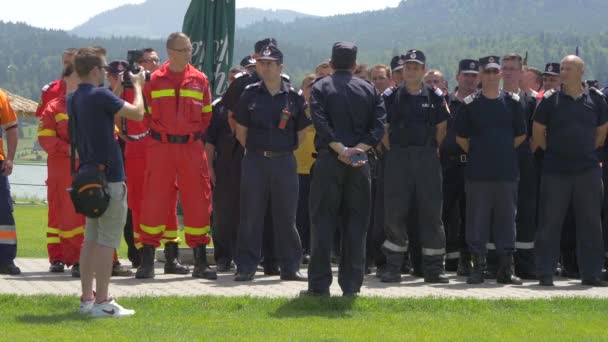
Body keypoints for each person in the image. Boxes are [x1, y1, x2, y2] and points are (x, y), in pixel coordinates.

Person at [303, 42, 386, 296]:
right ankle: (351, 286)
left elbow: (319, 120)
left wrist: (340, 149)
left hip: (330, 159)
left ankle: (319, 286)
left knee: (322, 223)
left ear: (332, 61)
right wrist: (357, 149)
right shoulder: (369, 88)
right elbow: (379, 124)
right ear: (354, 64)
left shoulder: (321, 86)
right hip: (360, 162)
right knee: (356, 225)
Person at [69, 46, 144, 317]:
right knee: (107, 240)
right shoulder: (100, 96)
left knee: (90, 239)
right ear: (94, 71)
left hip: (88, 175)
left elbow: (104, 110)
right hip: (109, 177)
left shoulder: (74, 97)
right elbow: (137, 113)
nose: (105, 72)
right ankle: (103, 302)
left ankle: (87, 299)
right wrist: (137, 86)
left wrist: (113, 88)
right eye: (103, 68)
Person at [137, 32, 216, 280]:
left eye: (189, 49)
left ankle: (200, 262)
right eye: (183, 50)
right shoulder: (154, 80)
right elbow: (144, 115)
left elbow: (206, 116)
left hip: (191, 147)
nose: (188, 53)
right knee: (154, 201)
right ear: (170, 52)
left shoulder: (200, 79)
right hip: (161, 147)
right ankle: (147, 261)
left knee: (198, 201)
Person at [232, 44, 310, 282]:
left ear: (280, 67)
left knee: (286, 217)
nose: (265, 67)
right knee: (251, 215)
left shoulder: (294, 96)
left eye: (270, 63)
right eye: (261, 63)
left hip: (284, 161)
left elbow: (302, 134)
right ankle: (246, 267)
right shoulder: (249, 93)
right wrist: (258, 151)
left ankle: (290, 267)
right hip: (255, 160)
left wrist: (281, 151)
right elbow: (241, 131)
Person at [532, 55, 608, 287]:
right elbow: (538, 133)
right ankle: (545, 272)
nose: (563, 72)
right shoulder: (550, 100)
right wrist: (556, 153)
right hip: (556, 171)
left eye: (568, 68)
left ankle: (591, 273)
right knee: (550, 223)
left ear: (581, 71)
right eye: (562, 68)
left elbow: (601, 133)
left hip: (587, 171)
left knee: (591, 223)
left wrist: (583, 153)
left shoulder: (595, 100)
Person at [455, 56, 527, 285]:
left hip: (506, 172)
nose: (491, 76)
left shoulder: (513, 103)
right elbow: (461, 137)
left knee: (507, 221)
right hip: (478, 173)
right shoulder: (470, 104)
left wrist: (501, 150)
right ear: (481, 75)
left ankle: (506, 270)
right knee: (477, 222)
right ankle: (478, 269)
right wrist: (481, 152)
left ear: (500, 75)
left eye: (495, 72)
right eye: (486, 72)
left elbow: (520, 135)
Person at [380, 50, 449, 284]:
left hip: (427, 158)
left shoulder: (435, 96)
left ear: (423, 70)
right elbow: (383, 131)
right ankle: (393, 267)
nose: (411, 71)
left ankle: (433, 269)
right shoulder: (390, 97)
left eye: (416, 67)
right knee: (395, 213)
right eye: (407, 67)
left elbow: (441, 129)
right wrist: (396, 153)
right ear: (402, 71)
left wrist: (427, 151)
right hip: (398, 158)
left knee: (431, 214)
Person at [37, 64, 85, 277]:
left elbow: (109, 133)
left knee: (87, 214)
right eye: (78, 74)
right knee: (62, 215)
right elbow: (45, 138)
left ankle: (83, 258)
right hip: (62, 168)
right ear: (65, 78)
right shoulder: (54, 107)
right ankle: (64, 257)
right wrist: (70, 150)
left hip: (89, 167)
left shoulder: (93, 103)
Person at [501, 53, 539, 280]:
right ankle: (498, 264)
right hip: (498, 163)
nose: (508, 72)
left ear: (522, 72)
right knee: (499, 214)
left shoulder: (531, 102)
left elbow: (537, 135)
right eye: (504, 68)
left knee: (525, 214)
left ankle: (525, 264)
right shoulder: (492, 99)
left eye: (513, 68)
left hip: (524, 162)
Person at [441, 59, 479, 276]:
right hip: (448, 166)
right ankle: (439, 258)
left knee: (470, 216)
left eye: (474, 75)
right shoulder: (445, 102)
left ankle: (466, 260)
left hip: (472, 167)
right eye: (466, 74)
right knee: (442, 214)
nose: (470, 79)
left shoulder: (481, 102)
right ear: (457, 76)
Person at [204, 67, 244, 272]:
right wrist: (209, 167)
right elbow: (209, 141)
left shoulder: (252, 103)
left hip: (247, 165)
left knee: (246, 214)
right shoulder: (218, 107)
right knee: (222, 215)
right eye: (232, 79)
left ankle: (243, 257)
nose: (234, 82)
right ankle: (223, 258)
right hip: (224, 166)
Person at [293, 74, 317, 264]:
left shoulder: (325, 110)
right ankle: (298, 250)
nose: (313, 88)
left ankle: (311, 249)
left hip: (318, 170)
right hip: (297, 170)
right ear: (303, 88)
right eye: (310, 85)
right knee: (298, 214)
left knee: (315, 214)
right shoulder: (296, 110)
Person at [0, 89, 19, 275]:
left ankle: (5, 260)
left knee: (4, 213)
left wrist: (10, 158)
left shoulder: (0, 96)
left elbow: (11, 128)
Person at [35, 48, 77, 118]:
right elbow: (42, 120)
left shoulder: (86, 91)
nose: (68, 66)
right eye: (66, 62)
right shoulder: (50, 91)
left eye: (72, 63)